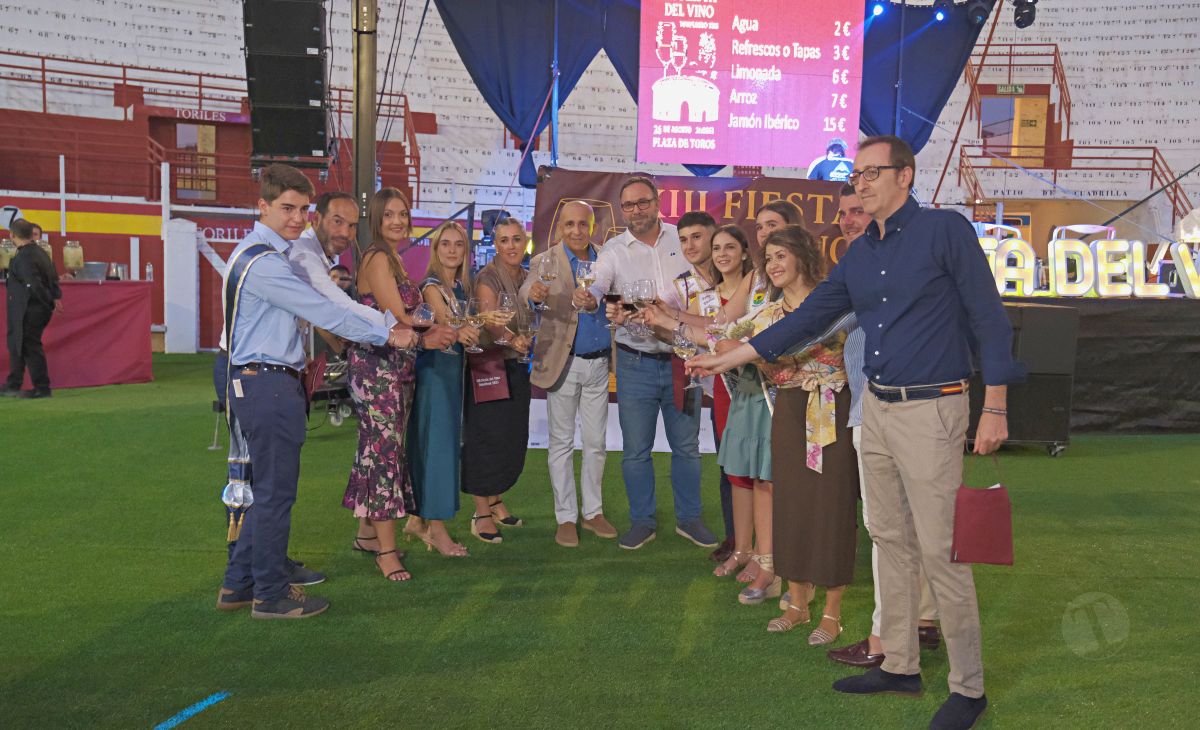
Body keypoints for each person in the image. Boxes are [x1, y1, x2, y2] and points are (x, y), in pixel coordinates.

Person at [687, 136, 1021, 730]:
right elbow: (812, 317)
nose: (860, 183)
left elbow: (989, 317)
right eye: (857, 175)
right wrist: (733, 354)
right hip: (876, 410)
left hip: (934, 407)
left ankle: (968, 689)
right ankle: (900, 665)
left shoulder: (945, 231)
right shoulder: (861, 253)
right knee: (888, 538)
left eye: (871, 173)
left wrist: (995, 404)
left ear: (905, 176)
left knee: (941, 549)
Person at [217, 165, 414, 619]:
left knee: (263, 489)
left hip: (260, 377)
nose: (297, 218)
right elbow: (325, 309)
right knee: (274, 493)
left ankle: (239, 582)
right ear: (262, 206)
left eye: (302, 209)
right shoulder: (267, 263)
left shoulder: (262, 253)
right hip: (265, 380)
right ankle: (269, 594)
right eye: (287, 208)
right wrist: (389, 333)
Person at [828, 183, 943, 668]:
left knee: (888, 532)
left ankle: (884, 639)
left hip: (886, 412)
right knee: (912, 526)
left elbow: (821, 323)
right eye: (844, 214)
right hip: (895, 409)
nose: (849, 221)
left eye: (858, 210)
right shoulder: (867, 263)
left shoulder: (876, 268)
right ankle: (923, 619)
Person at [574, 175, 717, 551]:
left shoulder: (682, 240)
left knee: (687, 446)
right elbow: (597, 283)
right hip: (635, 363)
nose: (636, 210)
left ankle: (690, 518)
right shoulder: (614, 249)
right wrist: (589, 296)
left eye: (642, 202)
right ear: (622, 210)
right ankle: (643, 521)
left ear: (657, 203)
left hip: (683, 360)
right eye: (628, 205)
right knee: (636, 449)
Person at [343, 187, 456, 582]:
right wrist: (435, 330)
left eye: (403, 213)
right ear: (376, 219)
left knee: (377, 452)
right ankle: (387, 552)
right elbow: (398, 318)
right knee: (383, 456)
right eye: (389, 214)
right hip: (377, 370)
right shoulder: (377, 257)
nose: (397, 221)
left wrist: (435, 324)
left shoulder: (393, 258)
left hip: (395, 368)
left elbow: (409, 317)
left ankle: (367, 535)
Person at [520, 201, 617, 548]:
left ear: (592, 226)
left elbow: (618, 299)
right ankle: (565, 517)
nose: (576, 231)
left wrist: (604, 302)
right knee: (561, 443)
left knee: (596, 443)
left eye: (582, 224)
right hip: (562, 363)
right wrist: (533, 296)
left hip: (599, 364)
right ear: (560, 227)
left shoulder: (607, 258)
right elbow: (526, 291)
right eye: (569, 224)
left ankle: (593, 512)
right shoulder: (544, 260)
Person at [407, 220, 477, 557]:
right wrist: (468, 329)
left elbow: (467, 326)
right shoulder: (432, 286)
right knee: (438, 449)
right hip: (434, 375)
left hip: (451, 374)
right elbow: (449, 324)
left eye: (458, 244)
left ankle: (417, 519)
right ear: (435, 250)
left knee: (435, 445)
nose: (452, 250)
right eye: (445, 244)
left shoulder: (460, 287)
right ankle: (436, 530)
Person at [461, 217, 533, 543]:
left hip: (516, 368)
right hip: (488, 369)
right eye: (504, 240)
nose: (511, 246)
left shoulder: (529, 278)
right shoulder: (487, 278)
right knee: (486, 440)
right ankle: (481, 513)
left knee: (510, 438)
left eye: (516, 239)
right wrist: (513, 339)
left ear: (525, 241)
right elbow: (491, 323)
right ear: (496, 244)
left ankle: (496, 501)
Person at [3, 218, 60, 398]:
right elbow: (53, 277)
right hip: (30, 307)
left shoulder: (24, 257)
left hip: (30, 308)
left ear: (12, 235)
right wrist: (54, 298)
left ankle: (42, 387)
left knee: (29, 345)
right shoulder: (40, 252)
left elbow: (33, 284)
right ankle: (14, 383)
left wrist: (46, 301)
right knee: (18, 342)